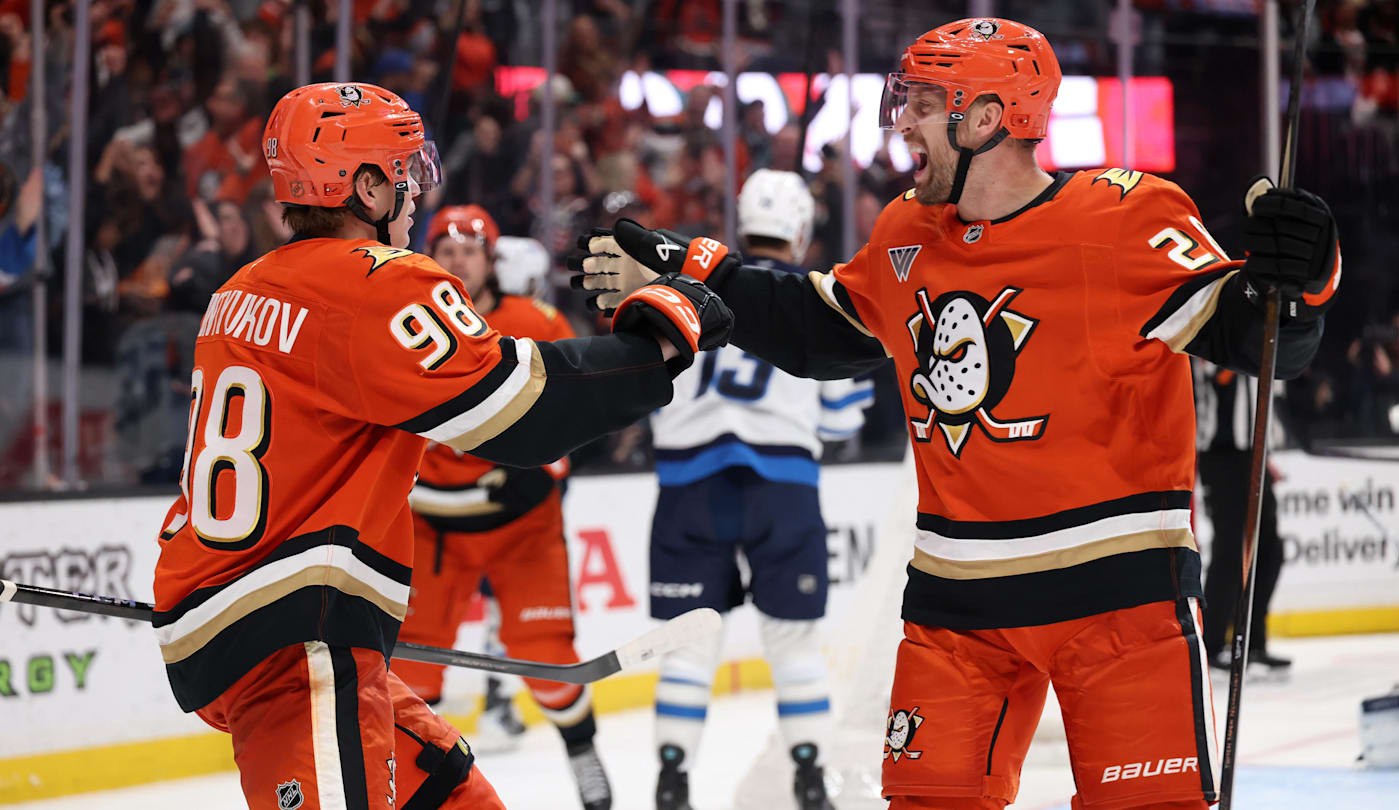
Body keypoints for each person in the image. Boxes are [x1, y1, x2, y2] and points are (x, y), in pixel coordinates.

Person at [574, 18, 1341, 809]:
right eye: (903, 100)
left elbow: (1262, 336)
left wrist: (1301, 279)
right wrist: (695, 272)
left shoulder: (1125, 216)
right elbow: (819, 329)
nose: (901, 122)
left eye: (922, 103)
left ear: (986, 119)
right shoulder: (906, 229)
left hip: (1121, 597)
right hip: (958, 602)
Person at [151, 82, 733, 810]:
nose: (414, 192)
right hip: (297, 646)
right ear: (365, 188)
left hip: (249, 615)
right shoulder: (373, 284)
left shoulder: (240, 290)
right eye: (402, 172)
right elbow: (528, 415)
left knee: (459, 796)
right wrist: (663, 337)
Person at [646, 170, 873, 810]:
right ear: (799, 232)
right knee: (794, 647)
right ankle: (810, 780)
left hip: (688, 488)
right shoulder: (819, 300)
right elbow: (842, 421)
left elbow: (641, 391)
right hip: (784, 488)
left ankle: (672, 782)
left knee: (687, 650)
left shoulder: (680, 290)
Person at [390, 205, 613, 810]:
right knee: (410, 672)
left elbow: (580, 405)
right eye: (447, 249)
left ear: (491, 259)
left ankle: (582, 751)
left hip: (522, 525)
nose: (459, 259)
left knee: (546, 658)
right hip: (431, 528)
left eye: (470, 249)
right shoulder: (400, 322)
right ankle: (410, 786)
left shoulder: (533, 321)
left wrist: (546, 471)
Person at [1191, 359, 1292, 672]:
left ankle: (1251, 642)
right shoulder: (1223, 342)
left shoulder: (1258, 342)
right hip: (1222, 456)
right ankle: (1212, 644)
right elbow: (1219, 375)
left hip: (1253, 454)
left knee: (1270, 549)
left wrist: (1265, 456)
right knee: (1231, 550)